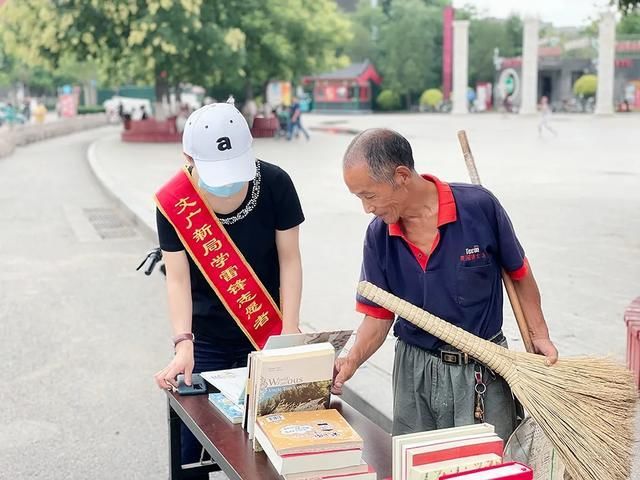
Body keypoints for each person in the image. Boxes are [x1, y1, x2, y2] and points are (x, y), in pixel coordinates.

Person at [333, 128, 558, 442]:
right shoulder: (378, 236)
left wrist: (539, 335)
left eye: (368, 195)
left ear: (401, 176)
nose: (366, 208)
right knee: (418, 467)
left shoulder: (480, 207)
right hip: (416, 372)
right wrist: (351, 360)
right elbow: (378, 316)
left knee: (487, 469)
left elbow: (519, 274)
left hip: (483, 368)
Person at [153, 103, 305, 469]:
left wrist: (289, 330)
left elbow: (290, 259)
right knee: (192, 449)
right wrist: (182, 342)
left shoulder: (275, 184)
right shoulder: (174, 202)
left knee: (273, 440)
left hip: (265, 330)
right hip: (205, 340)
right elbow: (177, 278)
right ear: (187, 157)